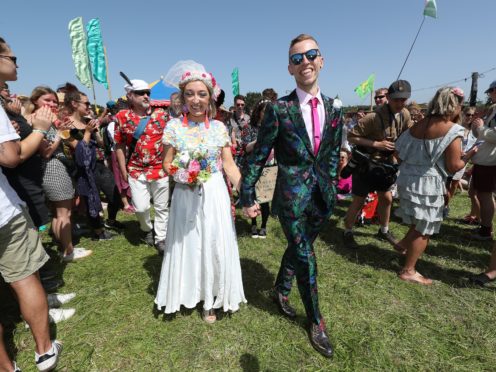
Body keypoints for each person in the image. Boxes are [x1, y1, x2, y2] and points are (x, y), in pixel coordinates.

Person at [241, 34, 343, 358]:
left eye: (310, 55)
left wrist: (333, 184)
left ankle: (280, 290)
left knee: (301, 250)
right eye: (297, 58)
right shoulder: (278, 109)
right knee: (305, 256)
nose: (305, 62)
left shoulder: (335, 107)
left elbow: (330, 153)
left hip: (323, 197)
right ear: (289, 68)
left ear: (321, 60)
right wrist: (246, 193)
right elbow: (259, 155)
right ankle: (315, 321)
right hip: (291, 198)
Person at [155, 64, 246, 323]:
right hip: (185, 193)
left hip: (215, 192)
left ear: (210, 98)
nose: (196, 100)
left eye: (202, 94)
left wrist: (245, 191)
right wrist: (181, 174)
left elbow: (228, 164)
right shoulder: (173, 126)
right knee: (188, 243)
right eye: (191, 94)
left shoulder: (219, 128)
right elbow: (166, 163)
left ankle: (211, 299)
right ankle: (186, 292)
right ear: (183, 97)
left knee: (213, 241)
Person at [0, 35, 62, 372]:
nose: (17, 63)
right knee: (24, 276)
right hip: (3, 213)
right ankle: (44, 349)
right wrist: (39, 127)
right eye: (12, 56)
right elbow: (11, 156)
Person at [395, 87, 477, 284]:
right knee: (425, 227)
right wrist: (470, 154)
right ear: (455, 105)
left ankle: (403, 245)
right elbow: (453, 166)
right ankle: (409, 270)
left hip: (407, 178)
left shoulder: (418, 124)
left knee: (418, 220)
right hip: (428, 183)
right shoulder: (453, 130)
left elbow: (398, 152)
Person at [342, 80, 413, 249]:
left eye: (403, 99)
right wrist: (376, 144)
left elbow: (408, 132)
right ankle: (348, 230)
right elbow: (352, 137)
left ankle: (384, 229)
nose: (399, 103)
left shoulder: (405, 114)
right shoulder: (372, 117)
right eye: (396, 99)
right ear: (388, 97)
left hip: (387, 165)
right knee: (358, 200)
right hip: (366, 164)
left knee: (387, 198)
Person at [26, 86, 92, 262]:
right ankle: (69, 252)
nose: (52, 103)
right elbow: (46, 152)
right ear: (35, 101)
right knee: (64, 214)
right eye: (47, 100)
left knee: (58, 213)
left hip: (52, 168)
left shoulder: (48, 118)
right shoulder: (37, 120)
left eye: (54, 101)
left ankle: (64, 247)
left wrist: (65, 129)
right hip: (52, 169)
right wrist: (59, 134)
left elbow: (75, 140)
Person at [114, 79, 170, 252]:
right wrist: (123, 169)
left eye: (148, 92)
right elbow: (119, 145)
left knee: (161, 206)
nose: (146, 96)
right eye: (141, 93)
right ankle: (146, 229)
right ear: (130, 96)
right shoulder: (122, 117)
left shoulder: (161, 114)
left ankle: (161, 238)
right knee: (140, 207)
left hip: (160, 168)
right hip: (136, 169)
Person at [63, 88, 119, 240]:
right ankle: (98, 232)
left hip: (99, 164)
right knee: (91, 200)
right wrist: (87, 133)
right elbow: (78, 149)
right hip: (84, 169)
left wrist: (95, 132)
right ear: (74, 104)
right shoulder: (66, 125)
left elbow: (101, 145)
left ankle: (111, 221)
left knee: (115, 195)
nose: (89, 106)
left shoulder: (87, 121)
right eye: (86, 103)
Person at [240, 98, 273, 238]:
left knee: (265, 199)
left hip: (268, 168)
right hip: (251, 167)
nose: (266, 114)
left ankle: (263, 226)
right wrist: (260, 140)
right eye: (264, 111)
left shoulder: (273, 127)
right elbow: (246, 148)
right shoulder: (249, 127)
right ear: (258, 112)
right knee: (252, 197)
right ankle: (253, 223)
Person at [469, 80, 496, 240]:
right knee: (481, 194)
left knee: (485, 195)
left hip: (489, 161)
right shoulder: (492, 110)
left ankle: (486, 231)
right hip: (485, 159)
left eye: (491, 90)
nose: (489, 94)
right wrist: (476, 125)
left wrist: (480, 127)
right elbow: (480, 135)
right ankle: (484, 227)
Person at [445, 106, 478, 217]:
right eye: (468, 114)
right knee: (445, 183)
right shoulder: (455, 127)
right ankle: (440, 204)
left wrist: (468, 153)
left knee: (454, 185)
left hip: (463, 160)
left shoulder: (474, 131)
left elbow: (476, 145)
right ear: (463, 114)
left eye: (472, 115)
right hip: (451, 158)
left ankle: (445, 205)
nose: (470, 117)